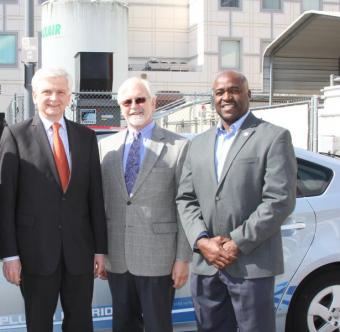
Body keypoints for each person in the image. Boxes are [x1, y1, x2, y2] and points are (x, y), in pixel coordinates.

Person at [176, 70, 297, 332]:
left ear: (249, 95)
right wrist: (201, 241)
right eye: (220, 92)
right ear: (213, 98)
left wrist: (236, 243)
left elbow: (279, 200)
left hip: (251, 265)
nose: (226, 97)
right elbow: (185, 199)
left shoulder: (273, 137)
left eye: (234, 90)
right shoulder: (198, 143)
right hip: (206, 265)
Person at [0, 68, 107, 332]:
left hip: (79, 253)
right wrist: (9, 255)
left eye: (60, 92)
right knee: (38, 324)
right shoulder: (15, 135)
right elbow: (6, 200)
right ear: (35, 95)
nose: (53, 98)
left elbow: (95, 197)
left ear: (69, 96)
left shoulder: (87, 137)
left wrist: (100, 249)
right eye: (47, 91)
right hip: (34, 254)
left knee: (81, 323)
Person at [98, 77, 192, 332]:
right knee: (123, 325)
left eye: (140, 99)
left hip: (159, 258)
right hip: (117, 257)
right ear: (121, 107)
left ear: (152, 102)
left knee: (157, 326)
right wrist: (100, 251)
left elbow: (186, 205)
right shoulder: (106, 148)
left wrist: (183, 258)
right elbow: (101, 202)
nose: (134, 106)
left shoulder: (179, 146)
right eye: (127, 101)